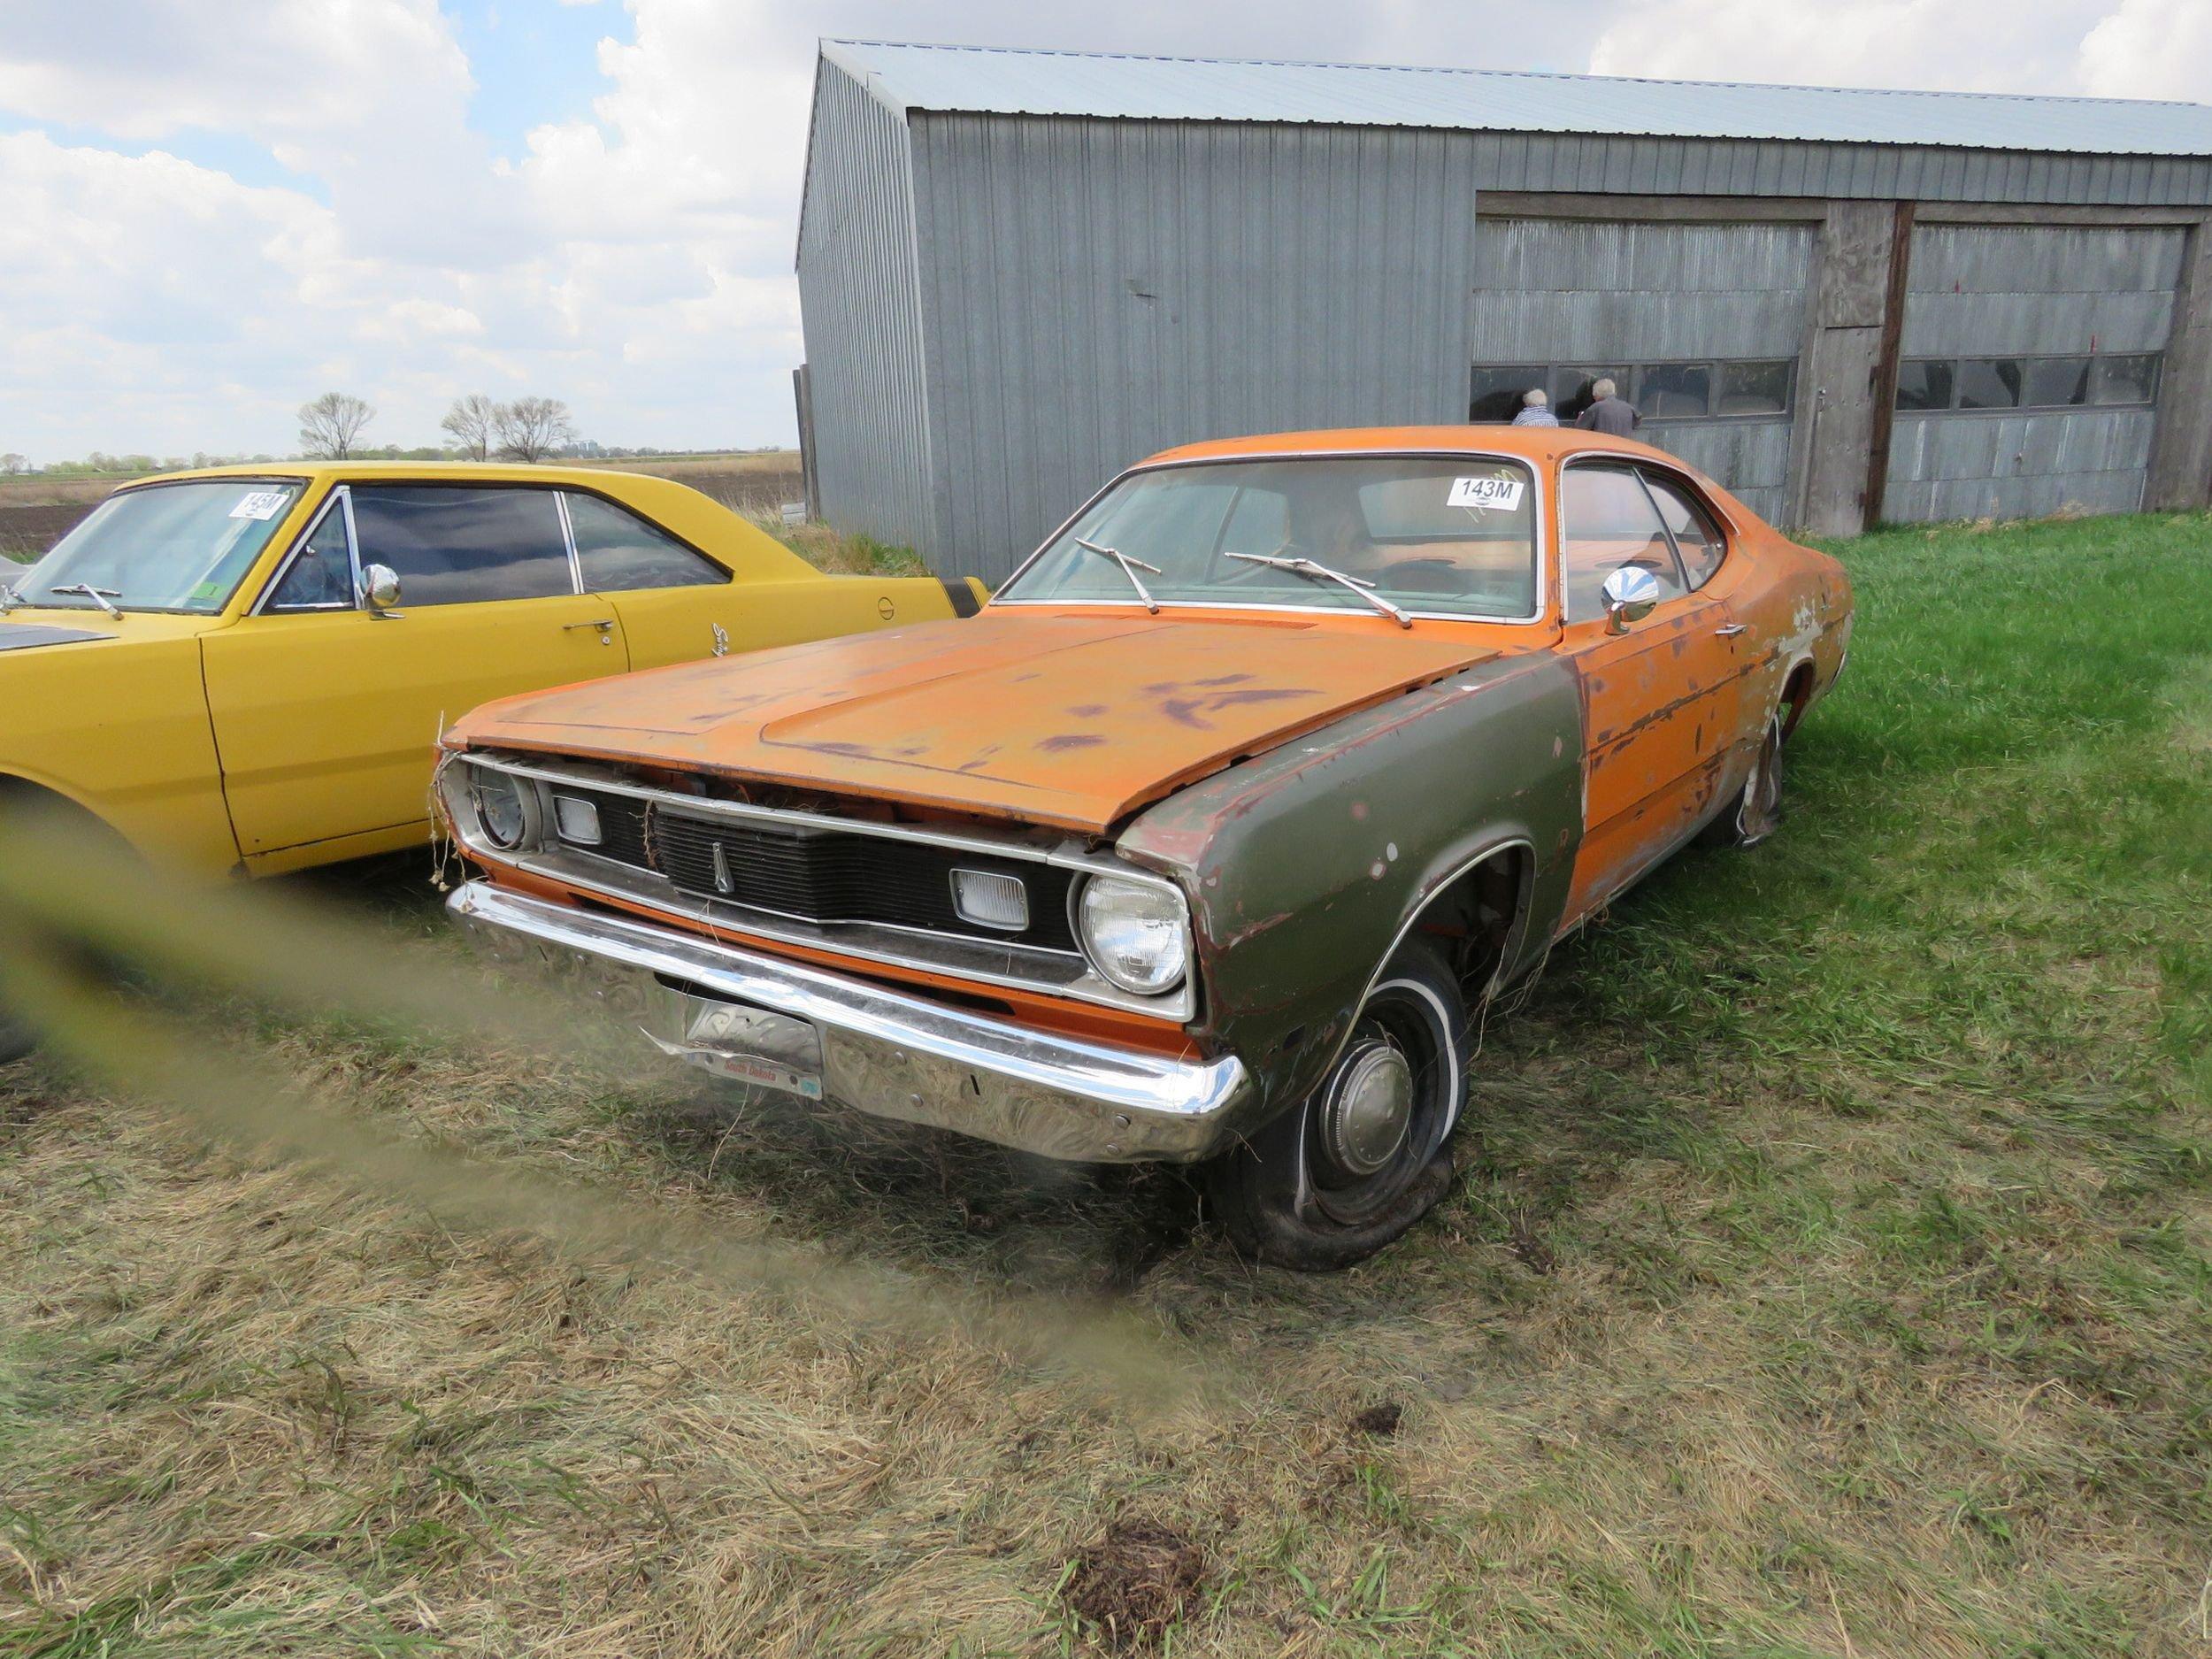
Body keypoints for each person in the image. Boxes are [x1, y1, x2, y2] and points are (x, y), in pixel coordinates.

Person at [1575, 377, 1640, 436]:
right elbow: (1637, 422)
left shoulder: (1596, 407)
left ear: (1597, 394)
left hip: (1604, 446)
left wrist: (1580, 417)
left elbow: (1580, 430)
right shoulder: (1628, 407)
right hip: (1624, 446)